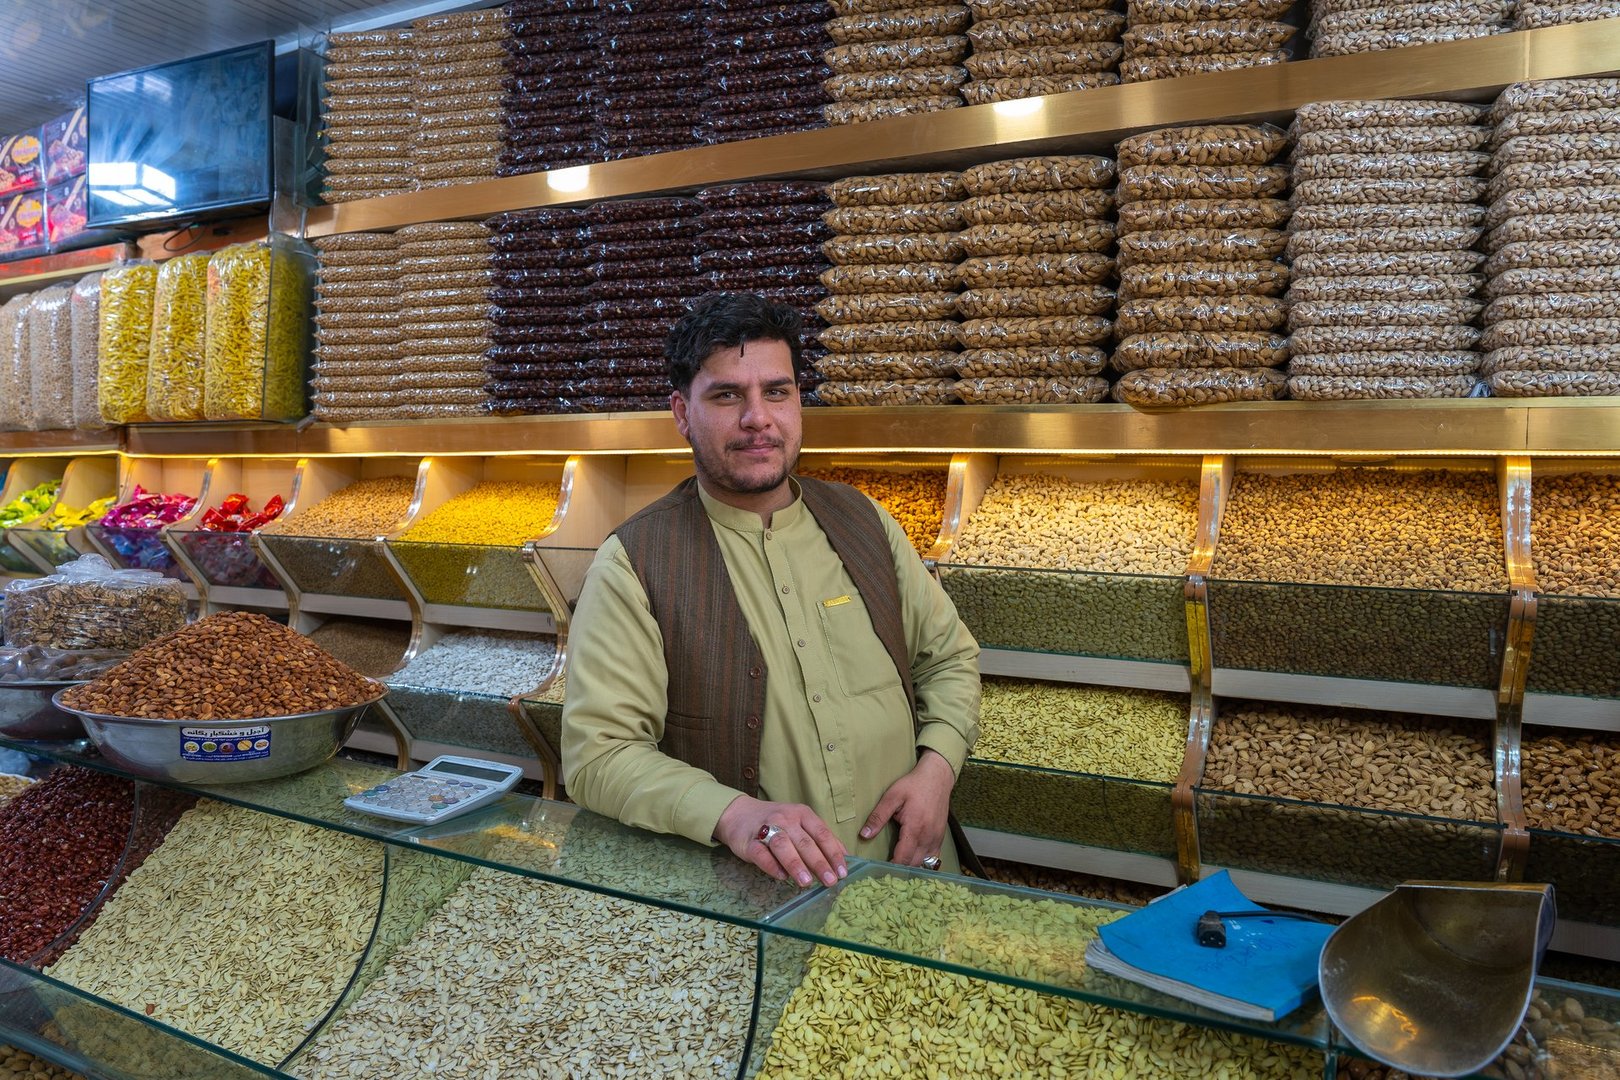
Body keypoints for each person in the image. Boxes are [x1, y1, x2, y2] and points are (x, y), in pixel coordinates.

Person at [561, 292, 982, 889]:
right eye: (728, 395)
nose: (757, 418)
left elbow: (949, 659)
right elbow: (598, 757)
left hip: (912, 877)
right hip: (761, 904)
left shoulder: (864, 523)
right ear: (682, 414)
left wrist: (937, 768)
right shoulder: (635, 563)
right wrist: (736, 815)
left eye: (777, 392)